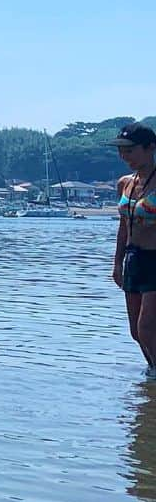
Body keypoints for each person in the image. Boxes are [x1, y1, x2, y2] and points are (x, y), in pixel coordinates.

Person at [111, 123, 156, 370]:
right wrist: (117, 262)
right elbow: (123, 226)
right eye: (121, 151)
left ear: (150, 148)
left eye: (130, 150)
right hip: (133, 259)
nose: (124, 156)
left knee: (146, 326)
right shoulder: (125, 183)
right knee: (136, 332)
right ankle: (152, 376)